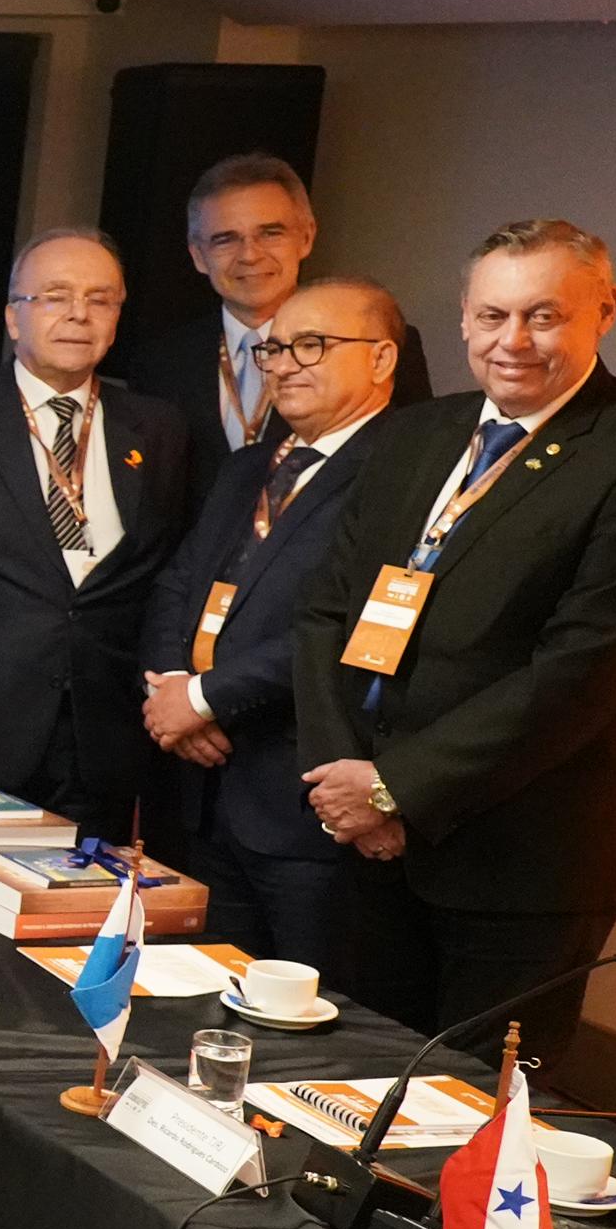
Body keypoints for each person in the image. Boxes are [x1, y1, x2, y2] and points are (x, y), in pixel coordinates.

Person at [296, 221, 616, 1058]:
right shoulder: (415, 434)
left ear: (606, 311)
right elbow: (325, 613)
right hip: (367, 846)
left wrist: (396, 788)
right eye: (492, 316)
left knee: (472, 1120)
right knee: (350, 1082)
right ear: (461, 317)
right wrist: (347, 784)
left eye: (543, 316)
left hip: (521, 863)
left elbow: (583, 671)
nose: (513, 341)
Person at [137, 276, 405, 968]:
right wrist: (174, 686)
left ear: (380, 359)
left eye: (311, 346)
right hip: (202, 793)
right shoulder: (250, 466)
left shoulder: (402, 474)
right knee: (203, 999)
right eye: (275, 348)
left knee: (306, 1025)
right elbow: (179, 580)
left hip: (299, 804)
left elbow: (348, 626)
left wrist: (203, 699)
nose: (283, 364)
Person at [0, 229, 197, 836]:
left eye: (100, 299)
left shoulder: (159, 428)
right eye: (55, 296)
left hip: (106, 734)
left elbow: (169, 576)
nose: (79, 315)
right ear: (13, 317)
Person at [110, 153, 433, 495]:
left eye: (270, 233)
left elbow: (411, 466)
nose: (250, 254)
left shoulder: (375, 343)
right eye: (225, 239)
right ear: (198, 256)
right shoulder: (158, 362)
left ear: (306, 237)